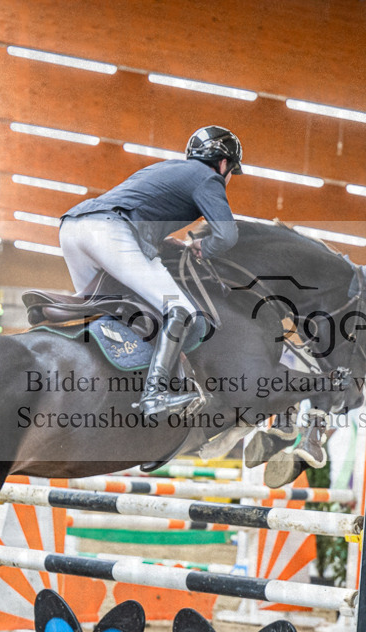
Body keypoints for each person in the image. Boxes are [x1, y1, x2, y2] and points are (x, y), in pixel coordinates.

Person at [59, 126, 243, 417]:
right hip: (110, 232)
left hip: (72, 227)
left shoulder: (165, 169)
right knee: (180, 310)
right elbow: (227, 235)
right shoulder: (209, 178)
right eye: (232, 170)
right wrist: (202, 247)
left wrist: (160, 240)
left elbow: (137, 209)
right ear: (224, 163)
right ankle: (154, 394)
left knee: (103, 310)